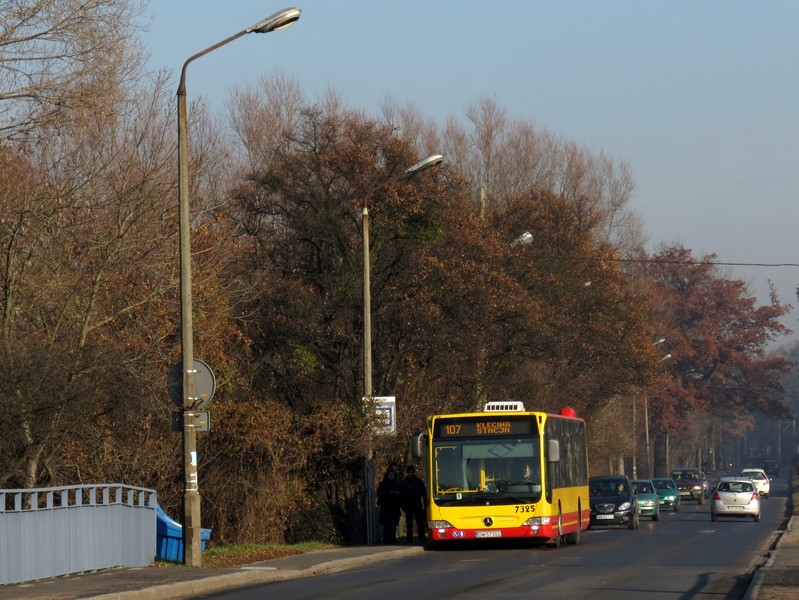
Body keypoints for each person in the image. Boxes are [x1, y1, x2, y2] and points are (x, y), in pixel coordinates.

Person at [400, 465, 427, 543]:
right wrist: (403, 505)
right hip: (408, 505)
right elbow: (402, 495)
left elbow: (423, 493)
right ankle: (410, 538)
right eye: (409, 472)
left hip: (417, 504)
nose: (411, 474)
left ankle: (421, 536)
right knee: (409, 522)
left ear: (414, 473)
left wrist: (425, 504)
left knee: (419, 522)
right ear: (407, 473)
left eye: (412, 472)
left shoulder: (418, 481)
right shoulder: (404, 482)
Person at [376, 468, 401, 544]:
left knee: (393, 523)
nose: (391, 476)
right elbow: (380, 493)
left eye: (393, 475)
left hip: (394, 506)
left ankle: (392, 539)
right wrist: (389, 493)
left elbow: (401, 493)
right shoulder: (383, 484)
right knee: (386, 524)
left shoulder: (397, 483)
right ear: (387, 475)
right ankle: (385, 539)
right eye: (390, 474)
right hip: (386, 506)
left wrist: (397, 493)